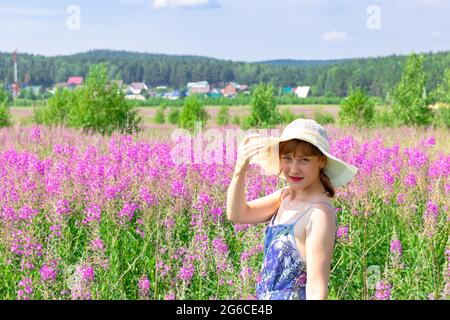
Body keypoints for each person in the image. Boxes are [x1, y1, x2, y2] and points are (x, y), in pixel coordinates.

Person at [226, 118, 358, 300]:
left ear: (321, 161)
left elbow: (316, 290)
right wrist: (240, 170)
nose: (293, 169)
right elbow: (237, 213)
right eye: (287, 158)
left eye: (304, 160)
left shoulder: (319, 213)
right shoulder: (284, 196)